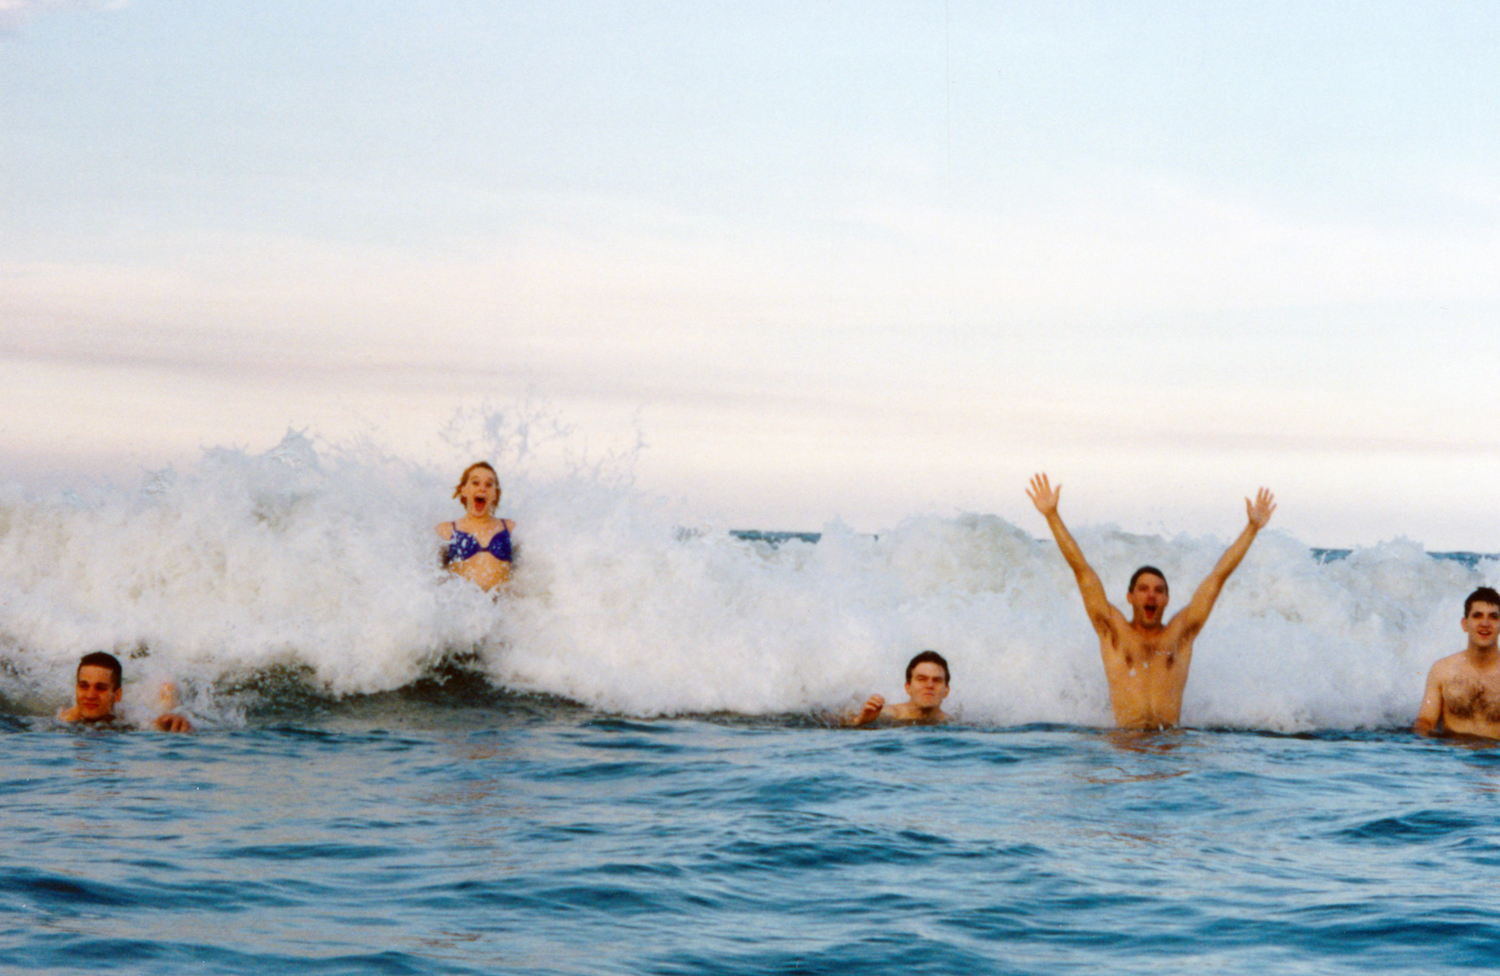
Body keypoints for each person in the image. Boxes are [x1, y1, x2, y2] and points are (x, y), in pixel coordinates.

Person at [1027, 473, 1275, 730]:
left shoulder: (1180, 635)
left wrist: (1252, 528)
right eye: (1143, 589)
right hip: (1126, 745)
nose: (1151, 595)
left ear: (1166, 599)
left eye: (1158, 590)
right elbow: (1082, 571)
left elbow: (1217, 577)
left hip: (1169, 746)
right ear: (1130, 597)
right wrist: (1051, 515)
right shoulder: (1114, 632)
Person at [1414, 587, 1500, 739]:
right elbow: (1426, 721)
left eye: (1493, 617)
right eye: (1477, 616)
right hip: (1451, 751)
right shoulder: (1442, 671)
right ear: (1464, 624)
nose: (1485, 623)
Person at [58, 651, 193, 732]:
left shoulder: (130, 715)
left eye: (101, 688)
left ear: (117, 695)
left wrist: (171, 722)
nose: (90, 695)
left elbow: (155, 723)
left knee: (168, 693)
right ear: (76, 688)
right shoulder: (65, 719)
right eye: (84, 686)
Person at [436, 461, 515, 591]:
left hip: (501, 602)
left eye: (489, 484)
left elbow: (527, 570)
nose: (482, 488)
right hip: (463, 602)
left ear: (495, 494)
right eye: (475, 483)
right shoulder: (446, 530)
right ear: (463, 490)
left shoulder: (510, 528)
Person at [849, 650, 951, 726]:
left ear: (946, 690)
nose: (929, 685)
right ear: (908, 687)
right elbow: (848, 723)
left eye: (937, 680)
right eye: (921, 679)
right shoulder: (891, 715)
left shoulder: (951, 722)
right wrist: (861, 721)